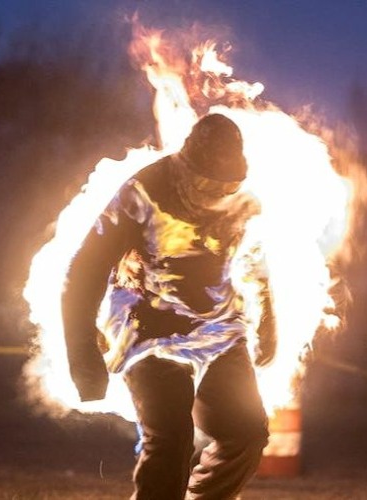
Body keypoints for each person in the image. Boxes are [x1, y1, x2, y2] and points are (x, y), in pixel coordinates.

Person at [62, 113, 276, 499]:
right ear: (186, 167)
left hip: (216, 327)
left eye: (227, 185)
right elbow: (85, 268)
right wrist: (83, 352)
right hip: (146, 327)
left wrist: (268, 323)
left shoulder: (242, 200)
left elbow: (255, 262)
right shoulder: (142, 192)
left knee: (246, 432)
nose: (217, 193)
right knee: (172, 439)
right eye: (208, 183)